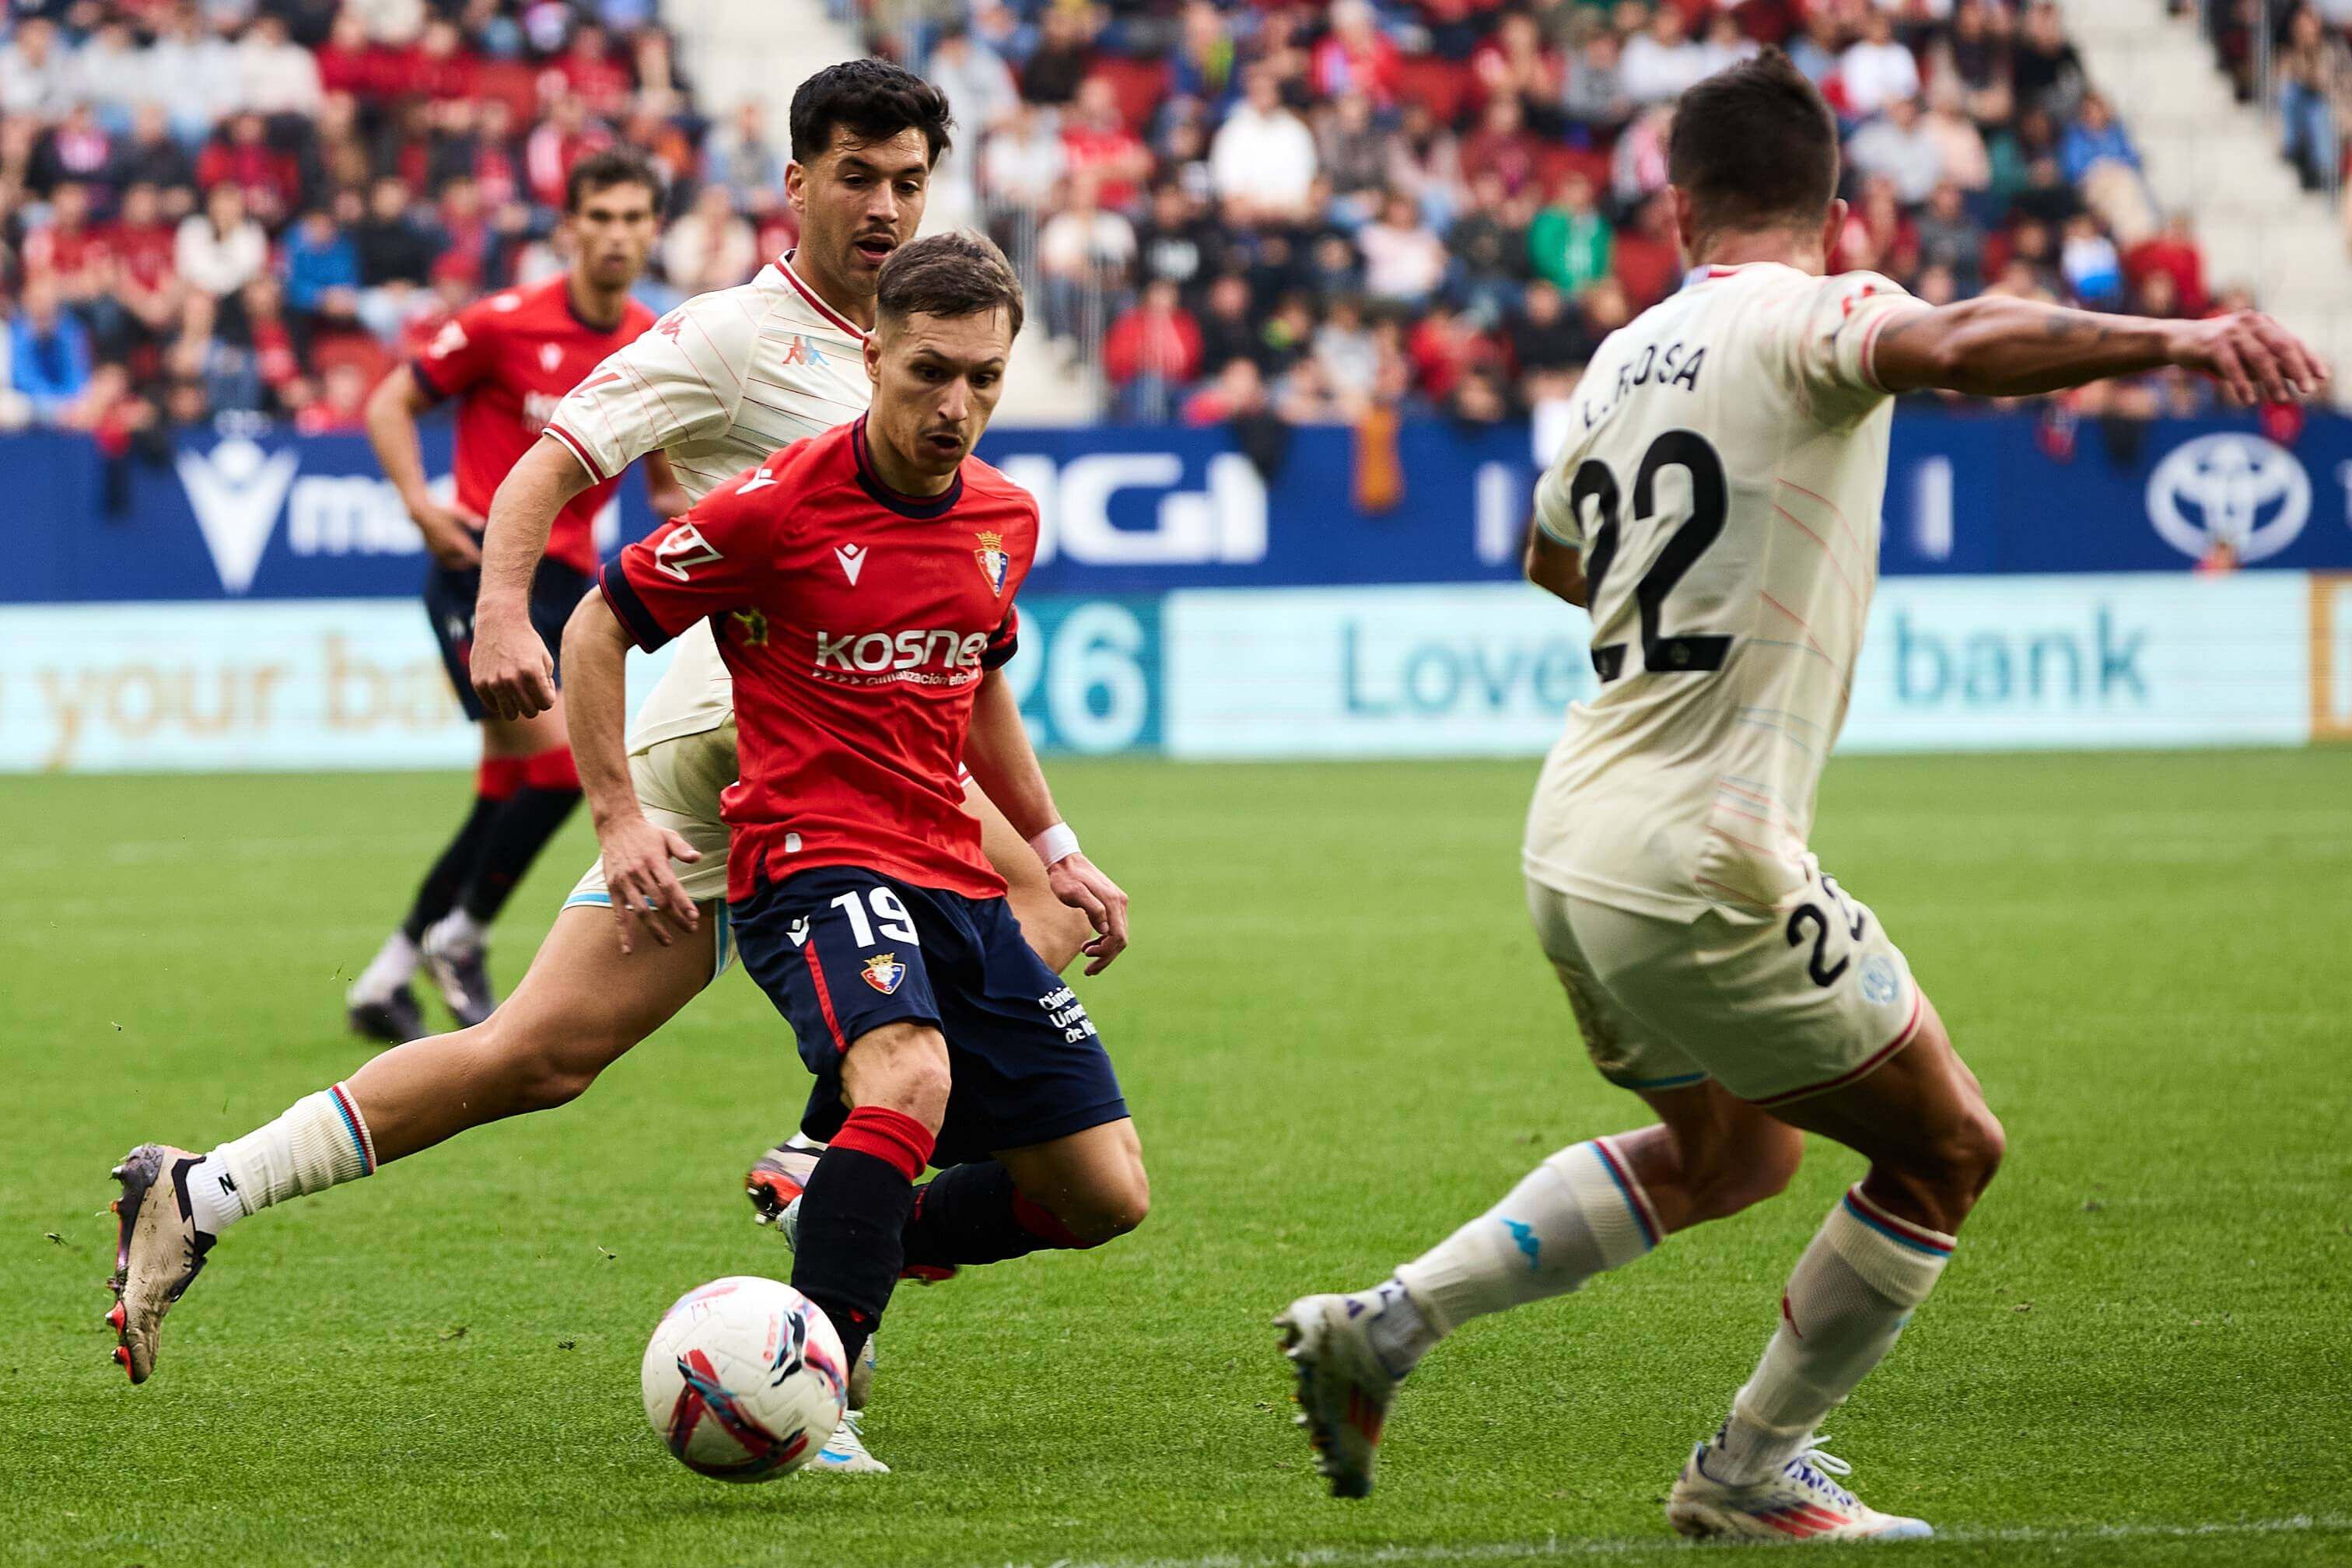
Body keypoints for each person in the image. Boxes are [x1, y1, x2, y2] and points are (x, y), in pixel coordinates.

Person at [1276, 49, 2324, 1541]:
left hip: (1571, 839)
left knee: (1734, 1153)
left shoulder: (1618, 357)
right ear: (1838, 213)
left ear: (1676, 206)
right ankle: (1745, 1471)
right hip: (1708, 854)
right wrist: (2179, 336)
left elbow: (1552, 560)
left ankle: (1380, 1328)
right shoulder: (1814, 314)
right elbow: (1955, 342)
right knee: (1945, 1148)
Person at [103, 61, 1101, 1483]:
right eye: (856, 178)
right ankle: (824, 1179)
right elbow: (552, 460)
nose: (884, 207)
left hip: (799, 761)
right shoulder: (731, 336)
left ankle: (202, 1191)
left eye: (907, 182)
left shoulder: (916, 342)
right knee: (1034, 909)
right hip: (745, 745)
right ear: (797, 184)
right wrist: (502, 609)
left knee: (537, 1054)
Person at [568, 230, 1142, 1470]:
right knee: (910, 1077)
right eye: (930, 372)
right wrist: (619, 816)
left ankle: (857, 1224)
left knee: (1104, 1192)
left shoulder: (1004, 516)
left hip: (953, 872)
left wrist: (1056, 846)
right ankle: (812, 1388)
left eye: (984, 379)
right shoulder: (776, 508)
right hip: (811, 859)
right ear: (872, 357)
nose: (956, 406)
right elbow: (598, 624)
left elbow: (979, 680)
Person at [339, 149, 681, 1043]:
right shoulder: (501, 324)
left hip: (567, 586)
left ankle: (385, 976)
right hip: (481, 576)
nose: (615, 235)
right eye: (599, 217)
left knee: (505, 790)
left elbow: (669, 486)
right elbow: (388, 404)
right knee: (566, 768)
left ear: (654, 230)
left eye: (633, 218)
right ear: (569, 228)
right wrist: (421, 507)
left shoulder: (656, 344)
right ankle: (463, 935)